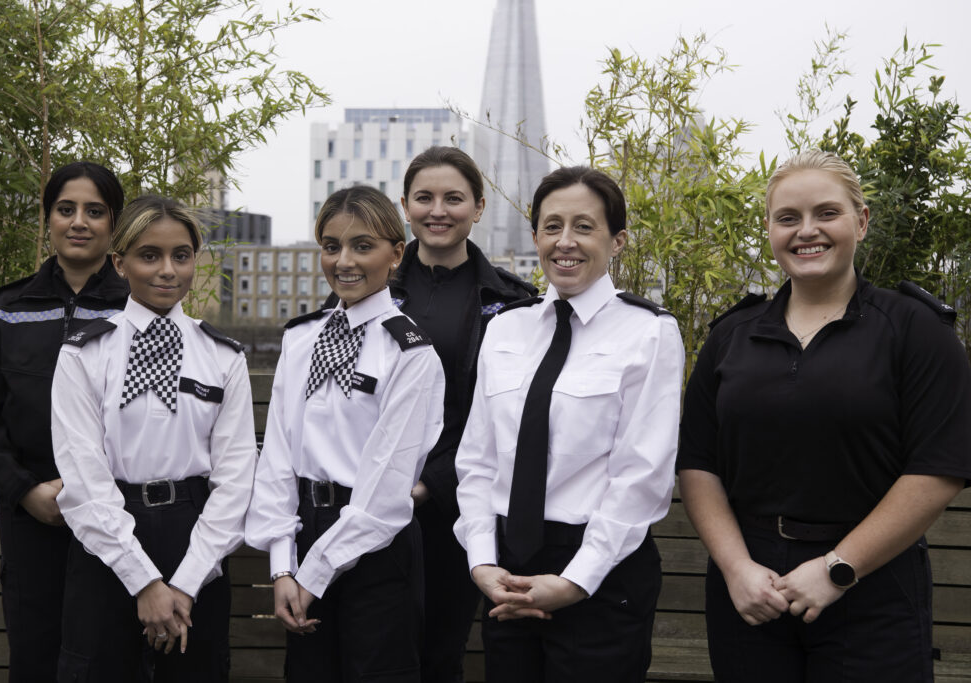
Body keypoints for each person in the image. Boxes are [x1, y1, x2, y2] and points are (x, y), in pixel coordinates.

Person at [677, 150, 971, 683]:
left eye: (826, 214)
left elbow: (936, 469)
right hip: (751, 590)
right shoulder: (731, 336)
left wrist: (839, 569)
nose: (806, 231)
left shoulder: (917, 332)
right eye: (787, 218)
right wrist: (736, 568)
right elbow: (699, 462)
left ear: (860, 222)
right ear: (768, 228)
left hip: (873, 587)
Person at [454, 166, 685, 683]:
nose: (565, 242)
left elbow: (641, 477)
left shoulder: (649, 333)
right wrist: (483, 563)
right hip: (506, 570)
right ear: (535, 236)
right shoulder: (505, 330)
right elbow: (477, 463)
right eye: (551, 226)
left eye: (584, 226)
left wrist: (575, 581)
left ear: (617, 240)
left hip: (600, 571)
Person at [51, 195, 256, 682]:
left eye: (181, 255)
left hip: (196, 538)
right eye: (149, 255)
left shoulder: (223, 357)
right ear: (120, 263)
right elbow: (83, 477)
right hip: (108, 540)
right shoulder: (83, 354)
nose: (168, 270)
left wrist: (184, 584)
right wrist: (143, 581)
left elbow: (236, 477)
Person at [245, 185, 445, 683]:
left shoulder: (411, 353)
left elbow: (387, 488)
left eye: (363, 245)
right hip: (305, 529)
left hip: (376, 545)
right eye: (331, 246)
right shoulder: (300, 338)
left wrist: (312, 574)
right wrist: (282, 567)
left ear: (396, 254)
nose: (344, 261)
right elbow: (279, 458)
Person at [0, 161, 129, 682]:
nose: (79, 222)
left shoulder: (136, 309)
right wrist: (25, 489)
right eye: (66, 209)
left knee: (112, 655)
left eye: (95, 212)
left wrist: (96, 492)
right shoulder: (8, 309)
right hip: (33, 517)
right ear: (48, 219)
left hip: (117, 517)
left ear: (114, 225)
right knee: (36, 656)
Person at [396, 146, 537, 682]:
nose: (439, 210)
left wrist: (431, 482)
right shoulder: (369, 289)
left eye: (454, 198)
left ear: (478, 207)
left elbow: (503, 412)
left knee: (439, 651)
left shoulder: (512, 301)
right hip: (366, 499)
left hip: (457, 508)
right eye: (424, 197)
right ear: (404, 205)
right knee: (372, 646)